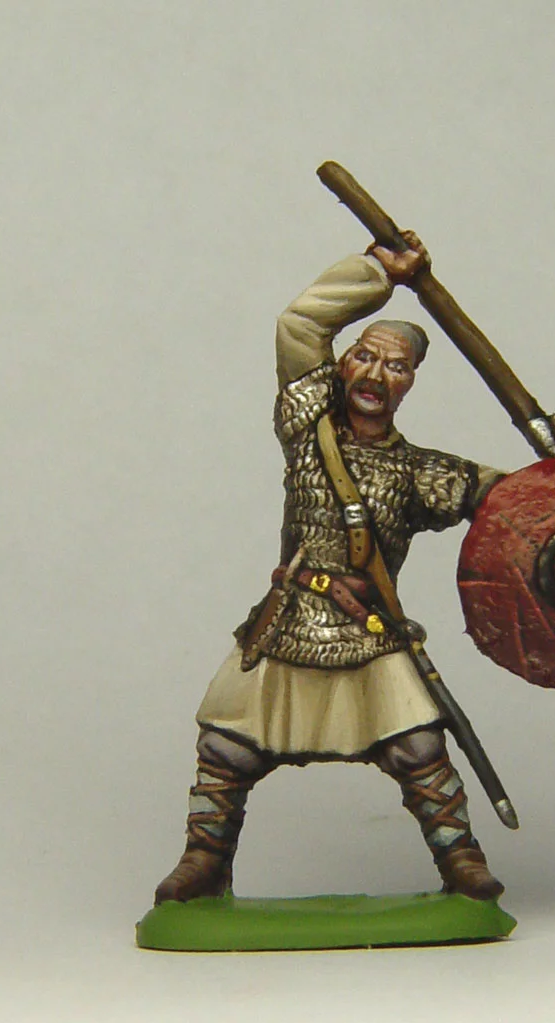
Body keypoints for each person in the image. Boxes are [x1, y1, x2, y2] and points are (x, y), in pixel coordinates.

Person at [155, 233, 506, 905]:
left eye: (395, 366)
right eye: (364, 357)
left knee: (418, 750)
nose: (375, 375)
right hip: (289, 621)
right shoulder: (308, 426)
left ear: (410, 382)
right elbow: (300, 323)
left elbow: (509, 501)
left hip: (368, 629)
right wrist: (379, 273)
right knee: (227, 748)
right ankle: (204, 862)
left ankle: (461, 860)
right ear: (343, 365)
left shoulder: (418, 473)